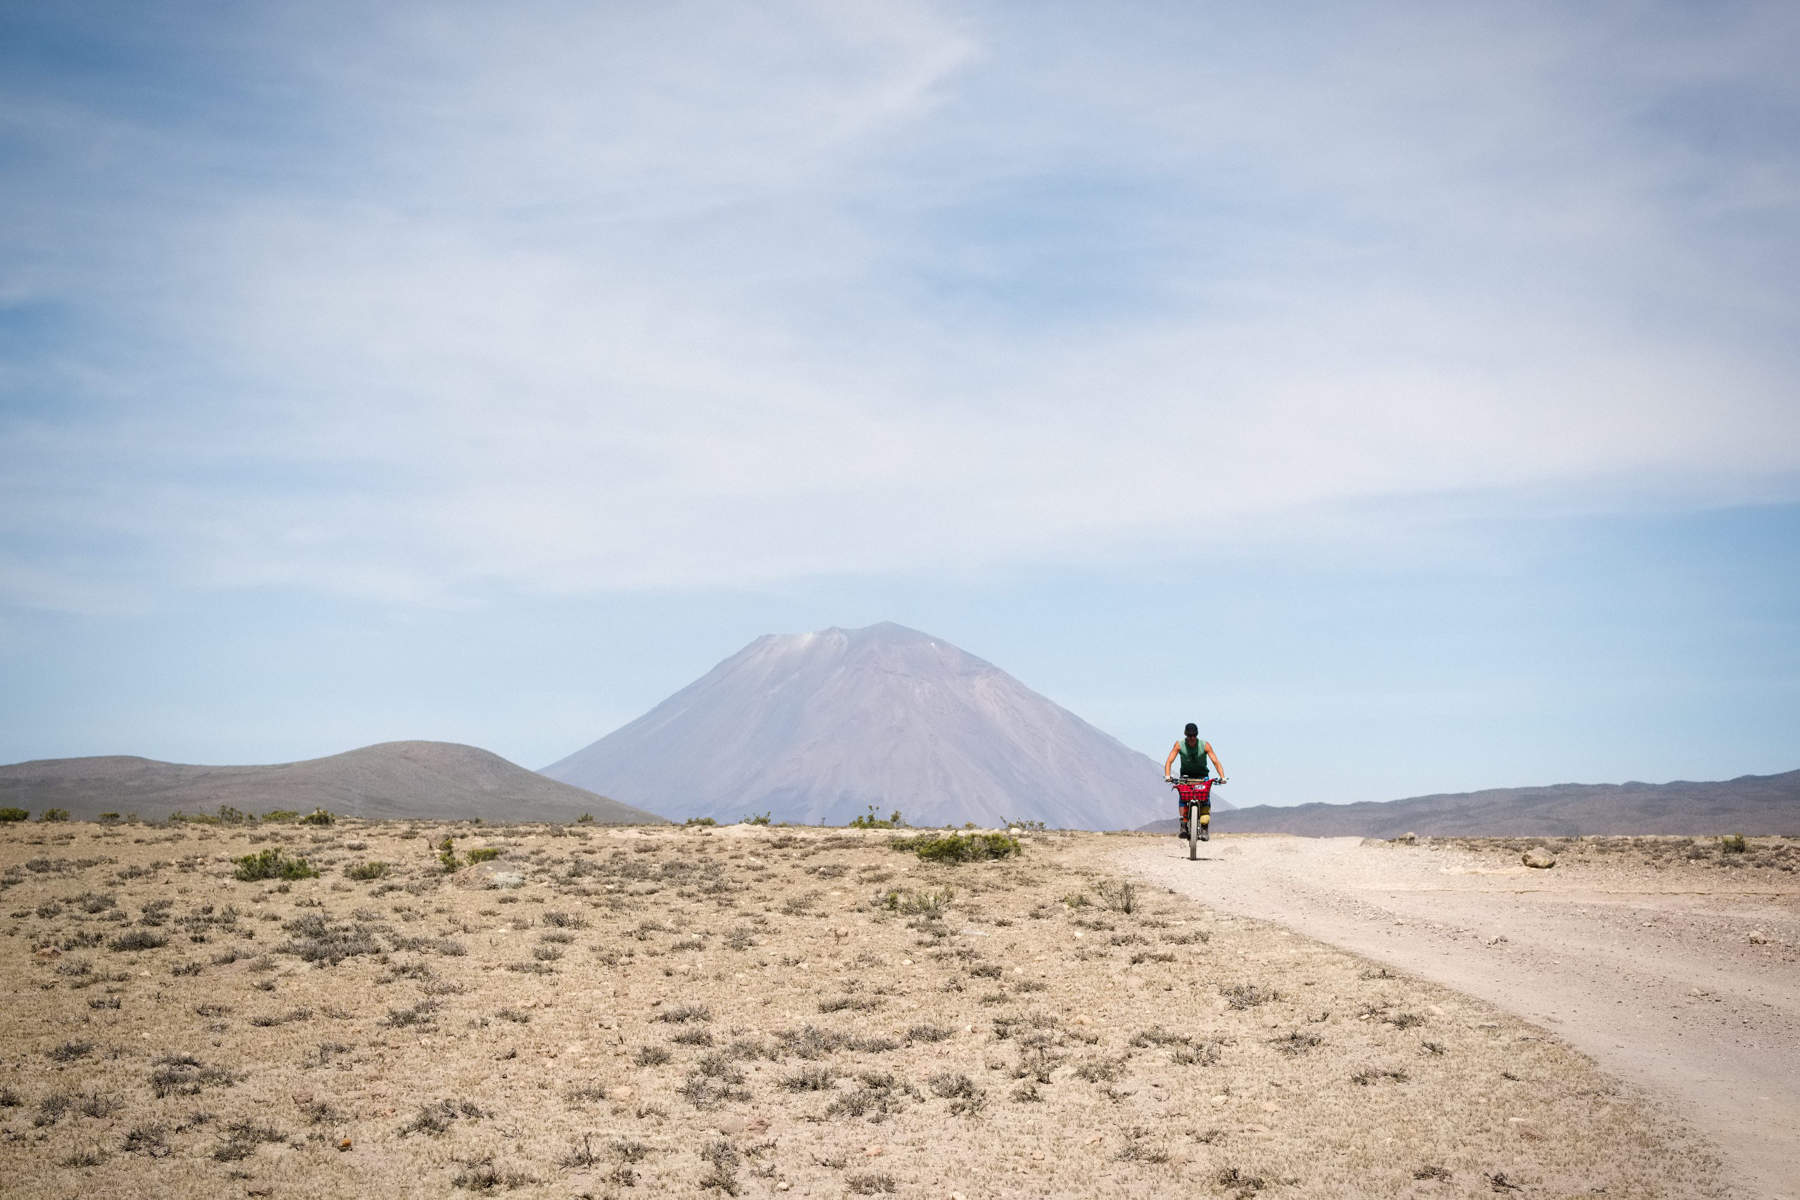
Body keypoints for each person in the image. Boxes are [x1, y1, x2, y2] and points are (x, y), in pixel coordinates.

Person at [1163, 723, 1225, 839]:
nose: (1192, 738)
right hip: (1186, 776)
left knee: (1205, 798)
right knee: (1183, 796)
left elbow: (1215, 761)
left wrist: (1222, 777)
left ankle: (1204, 828)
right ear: (1186, 735)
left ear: (1196, 735)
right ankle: (1183, 824)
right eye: (1189, 736)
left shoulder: (1205, 745)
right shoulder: (1179, 745)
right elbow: (1169, 761)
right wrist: (1167, 775)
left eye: (1194, 736)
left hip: (1202, 776)